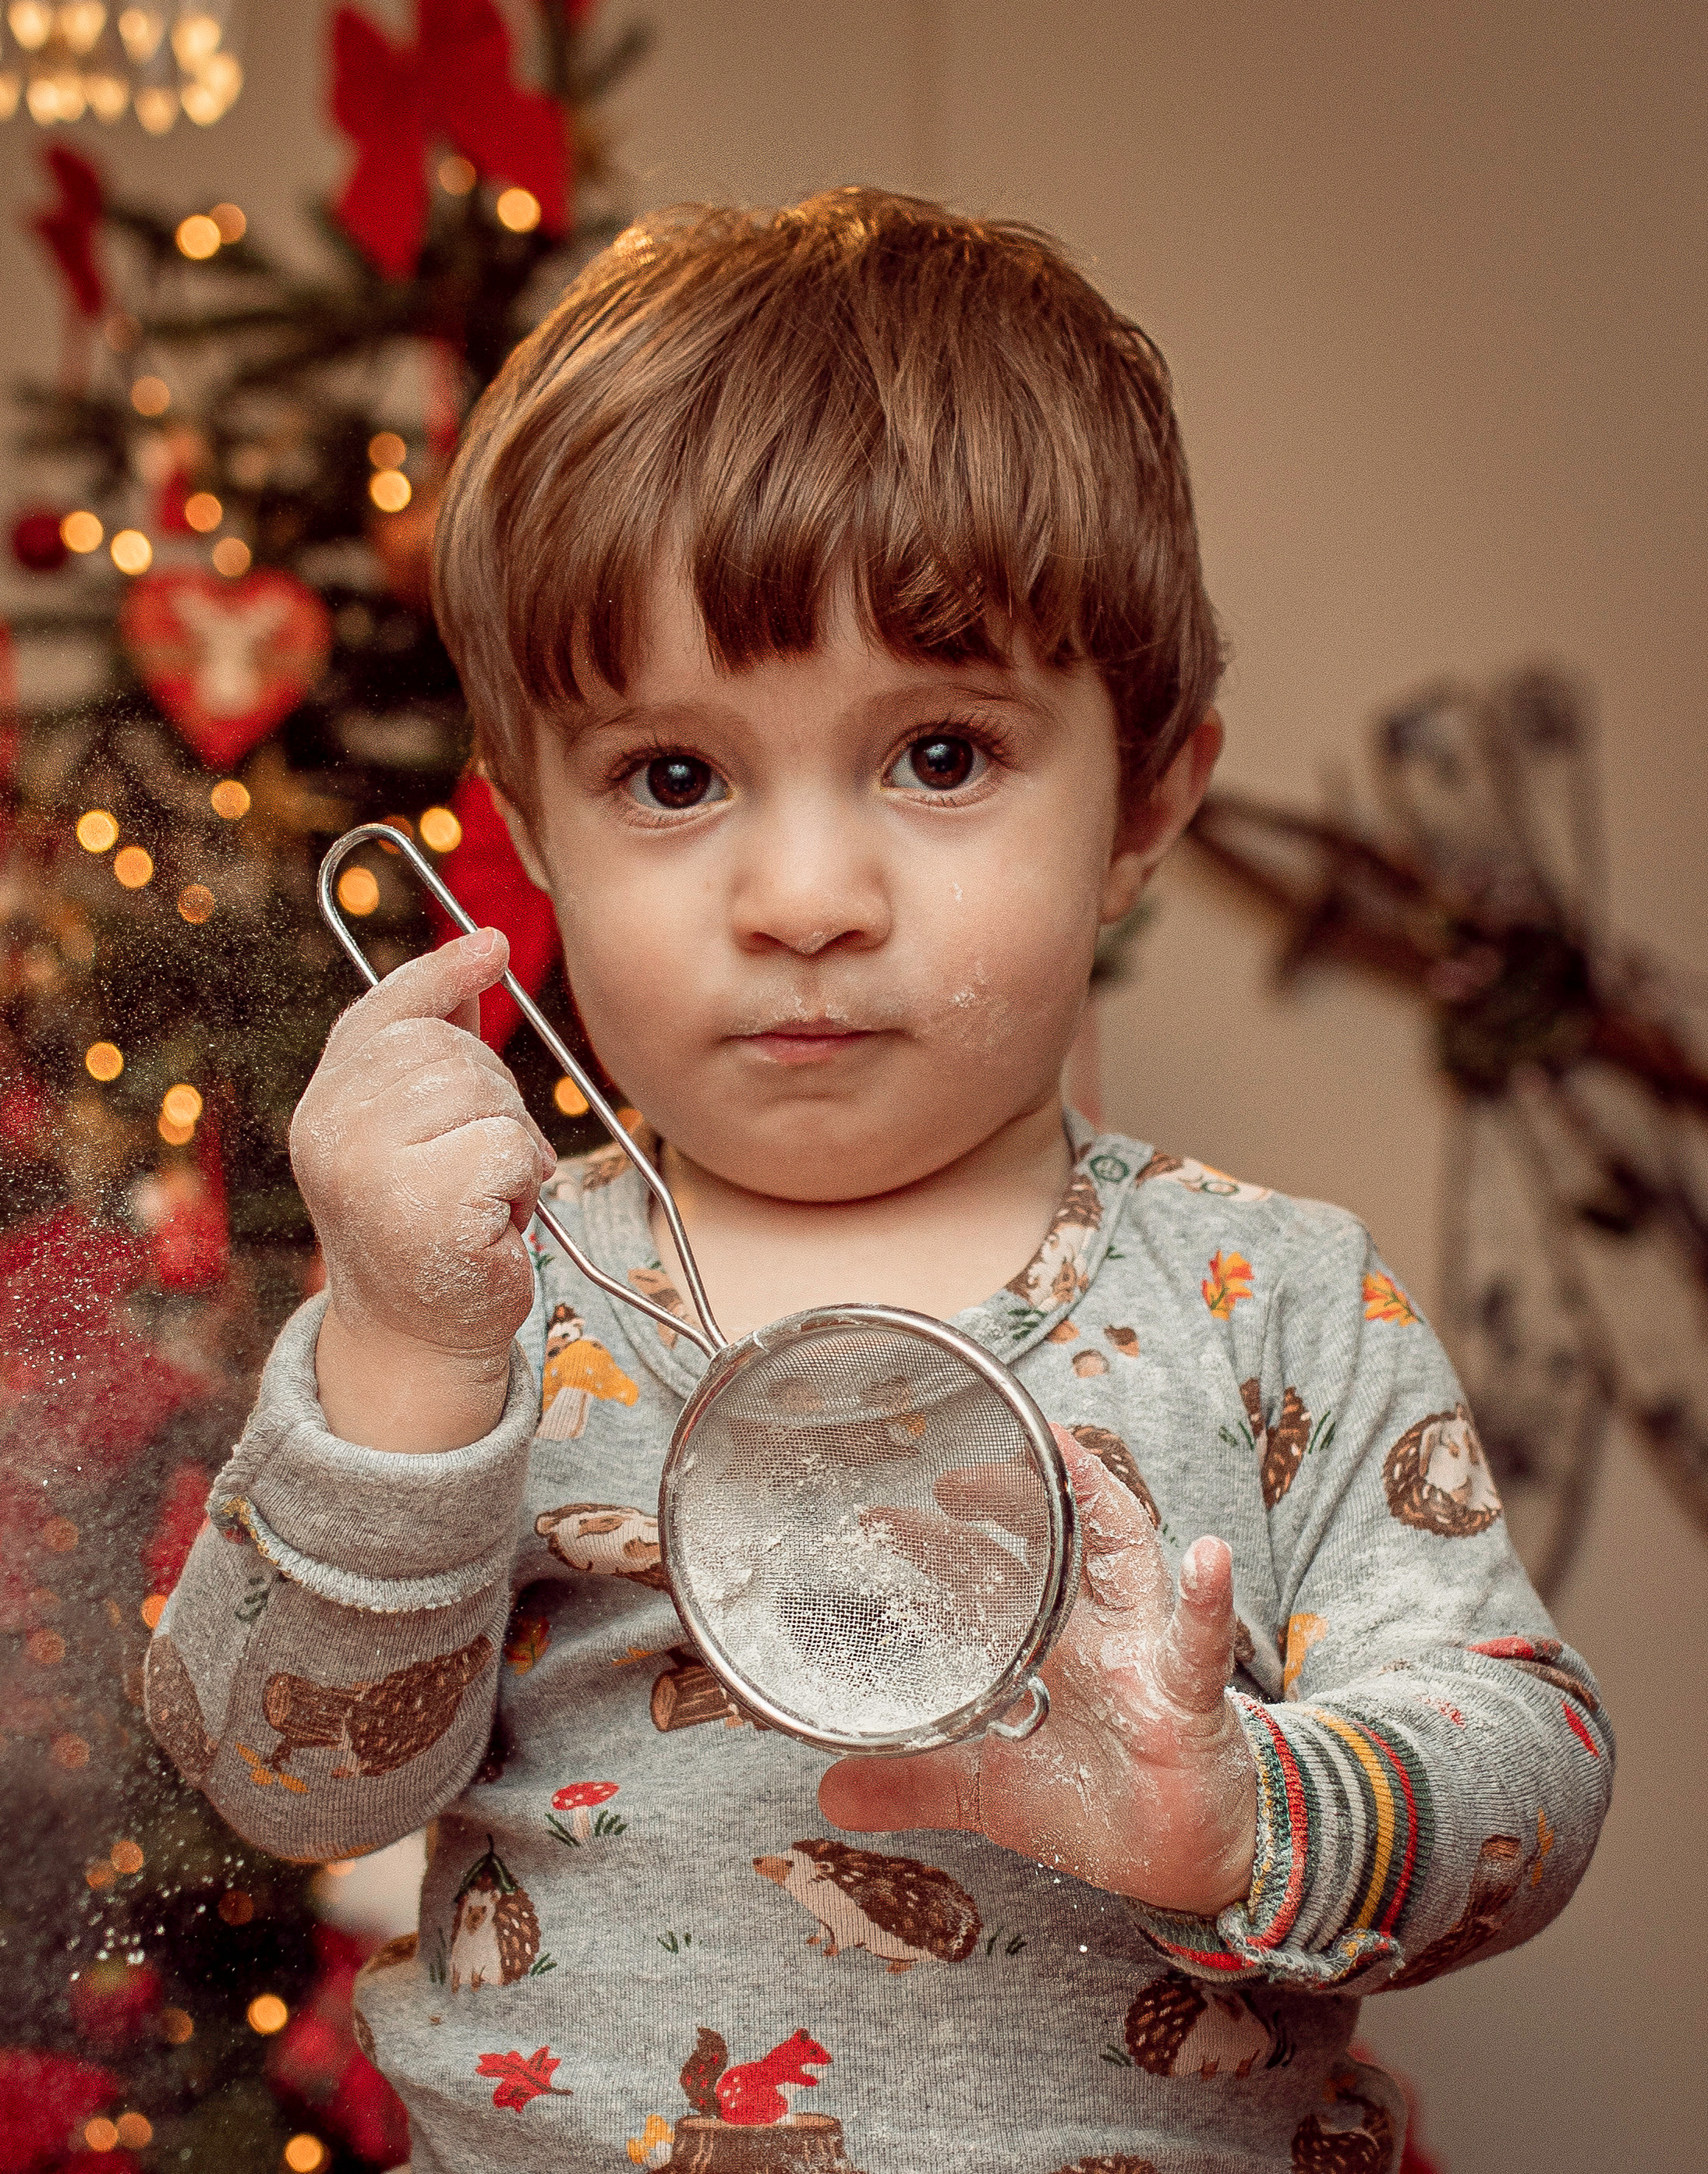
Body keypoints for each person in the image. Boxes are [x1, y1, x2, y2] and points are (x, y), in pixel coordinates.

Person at [147, 190, 1611, 2174]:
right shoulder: (486, 1288)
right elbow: (274, 1783)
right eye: (675, 778)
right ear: (531, 834)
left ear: (1147, 797)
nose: (808, 901)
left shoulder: (1277, 1305)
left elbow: (1526, 1768)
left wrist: (1245, 1810)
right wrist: (404, 1365)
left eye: (937, 753)